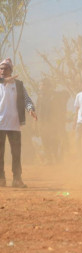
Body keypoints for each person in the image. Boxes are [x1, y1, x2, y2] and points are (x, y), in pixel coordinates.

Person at [0, 58, 37, 188]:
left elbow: (26, 99)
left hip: (14, 124)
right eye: (1, 68)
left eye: (6, 68)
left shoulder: (19, 85)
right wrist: (3, 81)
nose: (3, 71)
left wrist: (30, 109)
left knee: (16, 153)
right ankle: (1, 179)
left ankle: (17, 179)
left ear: (11, 70)